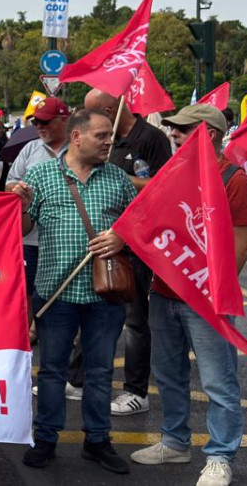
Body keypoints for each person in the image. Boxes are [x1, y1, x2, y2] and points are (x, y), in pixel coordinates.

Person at [130, 104, 247, 486]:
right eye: (174, 128)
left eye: (183, 130)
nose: (173, 134)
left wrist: (211, 292)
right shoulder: (172, 173)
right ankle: (174, 441)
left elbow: (241, 247)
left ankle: (220, 456)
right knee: (168, 375)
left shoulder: (236, 180)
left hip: (206, 300)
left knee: (219, 382)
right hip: (164, 293)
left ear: (210, 135)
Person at [8, 108, 136, 474]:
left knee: (98, 371)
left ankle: (97, 440)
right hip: (55, 290)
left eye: (110, 136)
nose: (109, 142)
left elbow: (138, 228)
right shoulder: (41, 176)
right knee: (51, 370)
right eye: (101, 136)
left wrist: (122, 239)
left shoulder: (118, 180)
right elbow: (23, 230)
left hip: (104, 294)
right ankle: (45, 438)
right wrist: (23, 208)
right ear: (77, 137)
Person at [84, 88, 173, 416]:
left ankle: (136, 390)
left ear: (111, 109)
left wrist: (125, 179)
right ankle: (78, 379)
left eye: (96, 114)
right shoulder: (106, 143)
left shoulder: (151, 139)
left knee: (135, 319)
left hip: (137, 241)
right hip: (102, 237)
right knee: (92, 310)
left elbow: (168, 185)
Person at [4, 97, 71, 336]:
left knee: (64, 286)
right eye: (36, 122)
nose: (39, 127)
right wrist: (20, 191)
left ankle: (64, 332)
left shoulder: (78, 149)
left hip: (65, 236)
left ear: (64, 120)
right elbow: (9, 183)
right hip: (31, 235)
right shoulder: (30, 148)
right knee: (28, 286)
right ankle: (32, 329)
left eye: (45, 122)